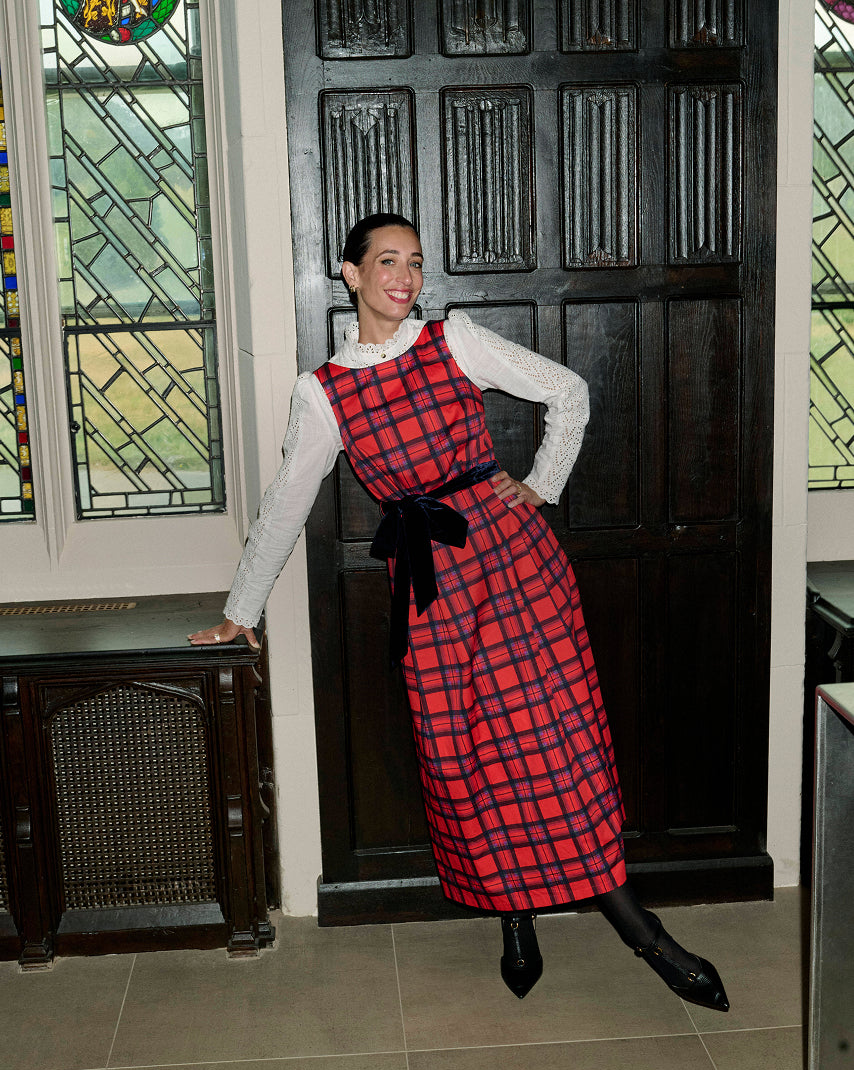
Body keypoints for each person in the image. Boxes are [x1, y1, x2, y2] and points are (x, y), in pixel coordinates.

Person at [189, 212, 729, 1009]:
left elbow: (568, 392)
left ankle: (640, 931)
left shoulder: (457, 341)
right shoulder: (324, 392)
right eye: (385, 261)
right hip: (432, 588)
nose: (403, 276)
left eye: (413, 261)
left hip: (517, 567)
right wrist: (243, 610)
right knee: (466, 755)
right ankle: (515, 915)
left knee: (556, 746)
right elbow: (284, 507)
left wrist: (541, 485)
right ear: (349, 272)